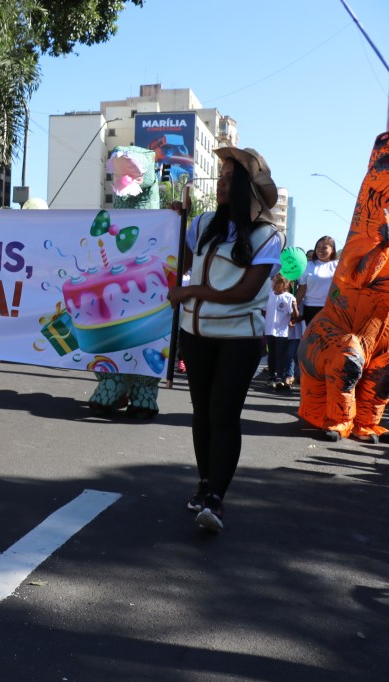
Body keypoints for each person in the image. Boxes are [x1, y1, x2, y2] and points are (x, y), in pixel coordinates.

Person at [167, 147, 283, 532]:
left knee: (223, 413)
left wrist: (192, 292)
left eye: (231, 179)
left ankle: (216, 498)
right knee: (201, 412)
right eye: (220, 177)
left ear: (249, 189)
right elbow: (173, 262)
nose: (221, 184)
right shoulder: (201, 225)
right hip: (195, 335)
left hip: (239, 338)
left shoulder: (268, 236)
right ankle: (203, 484)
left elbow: (247, 292)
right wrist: (170, 224)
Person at [264, 274, 299, 391]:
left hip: (282, 331)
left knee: (280, 354)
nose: (274, 285)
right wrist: (268, 321)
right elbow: (264, 310)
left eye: (277, 283)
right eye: (273, 283)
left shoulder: (289, 297)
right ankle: (271, 376)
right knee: (271, 353)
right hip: (270, 330)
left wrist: (294, 307)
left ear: (284, 285)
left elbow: (295, 315)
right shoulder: (269, 296)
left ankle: (279, 376)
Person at [296, 236, 338, 325]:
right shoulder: (307, 266)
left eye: (324, 248)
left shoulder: (338, 266)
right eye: (318, 247)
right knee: (312, 337)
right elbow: (301, 289)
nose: (320, 250)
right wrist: (293, 307)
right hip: (310, 309)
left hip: (331, 308)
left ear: (333, 250)